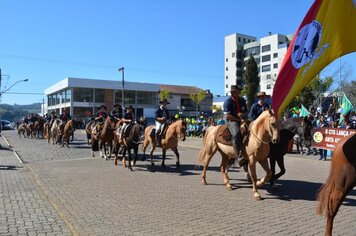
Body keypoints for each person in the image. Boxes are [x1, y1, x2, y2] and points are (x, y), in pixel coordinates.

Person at [223, 85, 248, 163]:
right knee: (236, 133)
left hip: (242, 119)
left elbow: (246, 111)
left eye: (239, 91)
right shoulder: (228, 101)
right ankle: (238, 156)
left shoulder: (242, 100)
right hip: (231, 121)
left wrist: (243, 115)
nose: (239, 92)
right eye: (237, 91)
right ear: (233, 92)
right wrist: (238, 119)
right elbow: (227, 115)